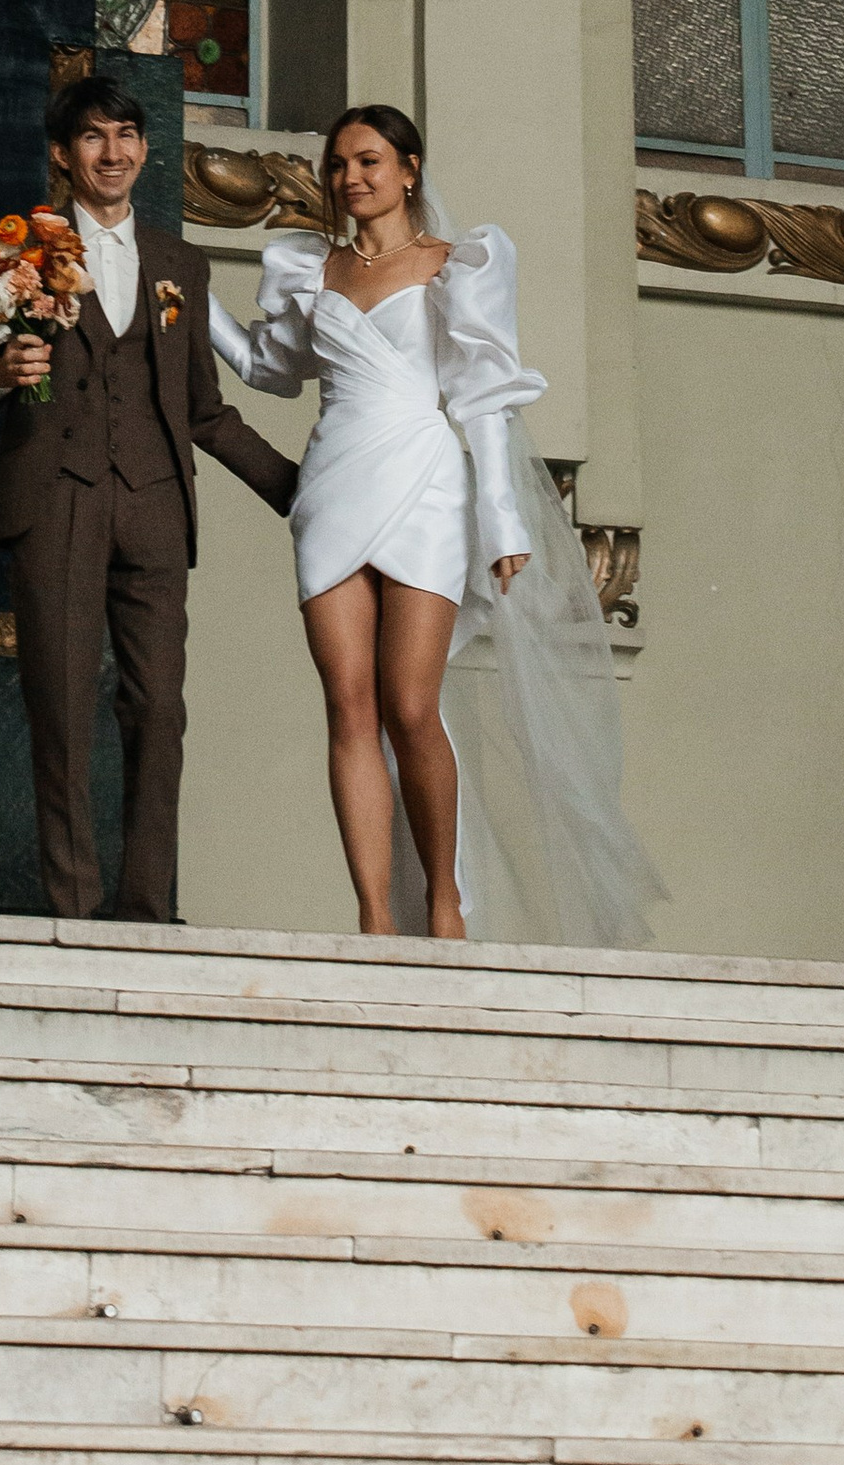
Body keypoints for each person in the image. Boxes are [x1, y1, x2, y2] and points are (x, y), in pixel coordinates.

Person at [209, 104, 660, 947]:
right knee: (348, 708)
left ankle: (444, 899)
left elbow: (483, 403)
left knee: (411, 706)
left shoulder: (458, 265)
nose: (351, 178)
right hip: (332, 490)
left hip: (425, 489)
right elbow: (269, 369)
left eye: (369, 161)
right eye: (338, 164)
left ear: (409, 169)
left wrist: (503, 520)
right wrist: (190, 305)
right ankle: (375, 915)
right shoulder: (313, 269)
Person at [0, 73, 299, 922]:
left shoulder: (180, 263)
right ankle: (74, 908)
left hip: (153, 506)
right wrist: (1, 373)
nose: (113, 152)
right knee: (63, 709)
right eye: (94, 136)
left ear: (144, 150)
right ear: (63, 155)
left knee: (159, 711)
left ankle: (146, 909)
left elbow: (204, 410)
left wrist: (301, 489)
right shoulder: (15, 259)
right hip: (55, 502)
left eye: (127, 135)